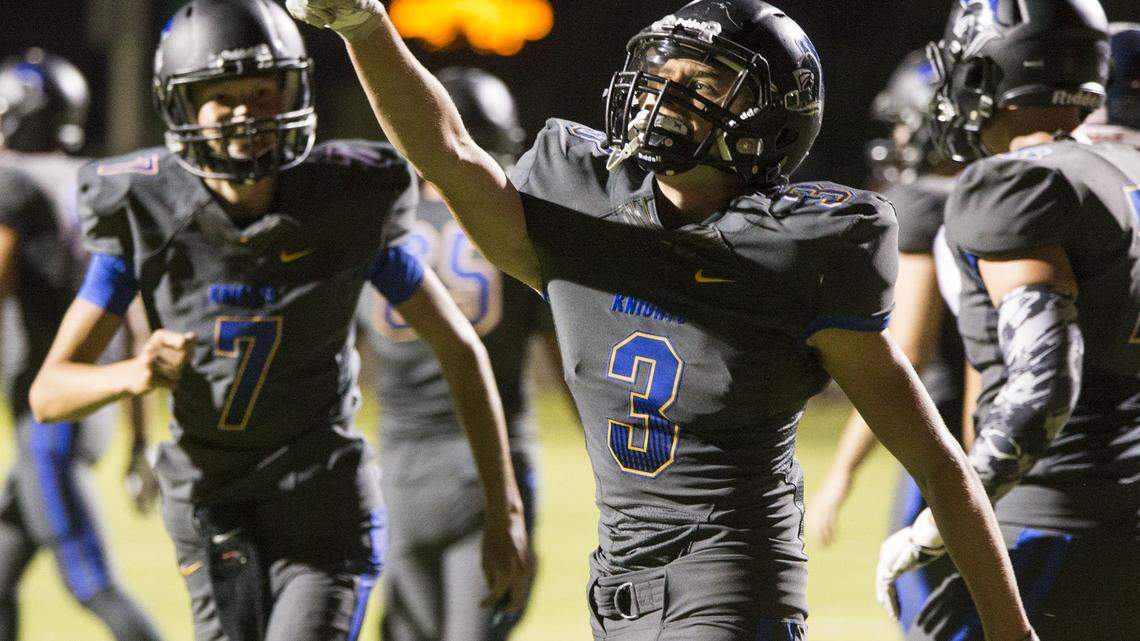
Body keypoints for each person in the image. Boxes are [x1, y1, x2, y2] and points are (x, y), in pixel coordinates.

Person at [288, 0, 1039, 639]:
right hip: (616, 581)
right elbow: (449, 151)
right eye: (662, 75)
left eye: (700, 83)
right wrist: (363, 24)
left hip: (731, 583)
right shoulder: (582, 209)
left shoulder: (796, 252)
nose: (663, 96)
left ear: (766, 121)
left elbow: (936, 458)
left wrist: (1011, 628)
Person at [26, 2, 531, 641]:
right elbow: (49, 393)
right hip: (211, 505)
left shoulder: (346, 198)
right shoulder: (147, 206)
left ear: (293, 90)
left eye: (263, 91)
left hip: (322, 507)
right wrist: (133, 373)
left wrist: (504, 509)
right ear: (182, 106)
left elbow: (460, 348)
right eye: (222, 97)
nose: (247, 112)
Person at [877, 2, 1140, 640]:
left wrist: (940, 523)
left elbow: (1042, 382)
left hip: (1056, 529)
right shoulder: (1123, 172)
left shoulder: (1015, 184)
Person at [356, 67, 556, 641]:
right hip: (491, 470)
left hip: (399, 472)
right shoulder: (517, 232)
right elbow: (570, 364)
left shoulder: (381, 231)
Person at [0, 49, 163, 641]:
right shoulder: (89, 180)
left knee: (90, 581)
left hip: (48, 415)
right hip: (91, 408)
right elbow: (133, 314)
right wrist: (140, 435)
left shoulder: (13, 183)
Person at [807, 49, 969, 633]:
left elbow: (906, 356)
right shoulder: (1011, 191)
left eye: (905, 120)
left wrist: (842, 473)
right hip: (1023, 432)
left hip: (948, 437)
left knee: (930, 613)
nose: (899, 136)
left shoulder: (926, 204)